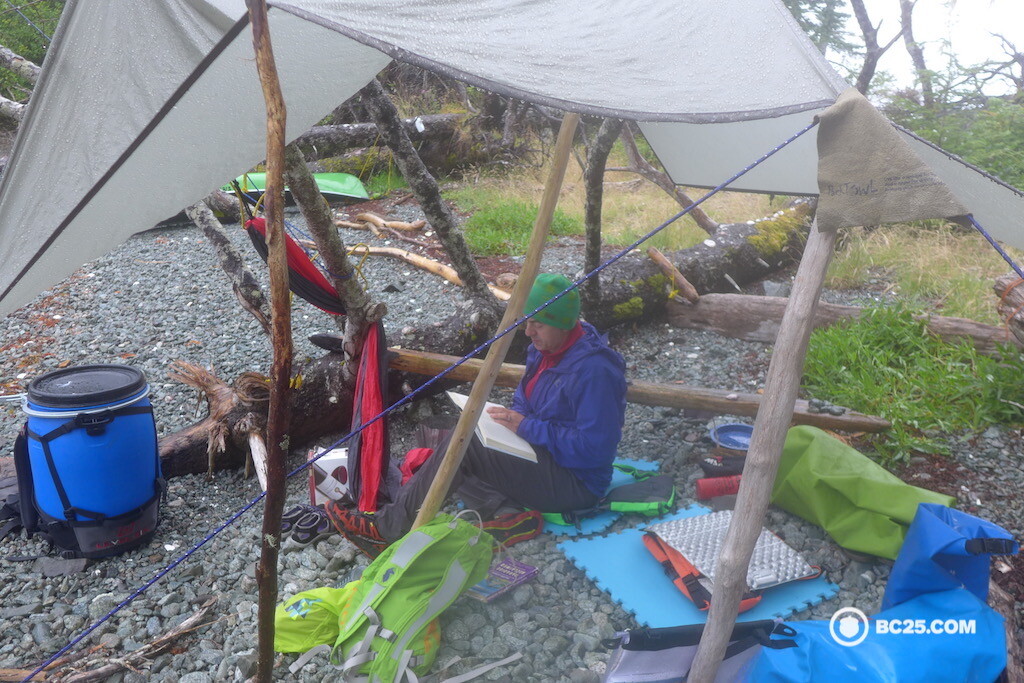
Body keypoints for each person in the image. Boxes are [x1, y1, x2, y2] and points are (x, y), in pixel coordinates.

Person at [327, 273, 627, 557]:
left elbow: (595, 450)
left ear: (562, 324)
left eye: (537, 324)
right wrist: (513, 421)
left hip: (576, 483)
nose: (528, 331)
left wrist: (527, 428)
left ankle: (386, 529)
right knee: (456, 437)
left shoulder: (594, 371)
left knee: (464, 446)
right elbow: (525, 396)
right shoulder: (546, 348)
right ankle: (508, 513)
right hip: (545, 454)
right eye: (527, 321)